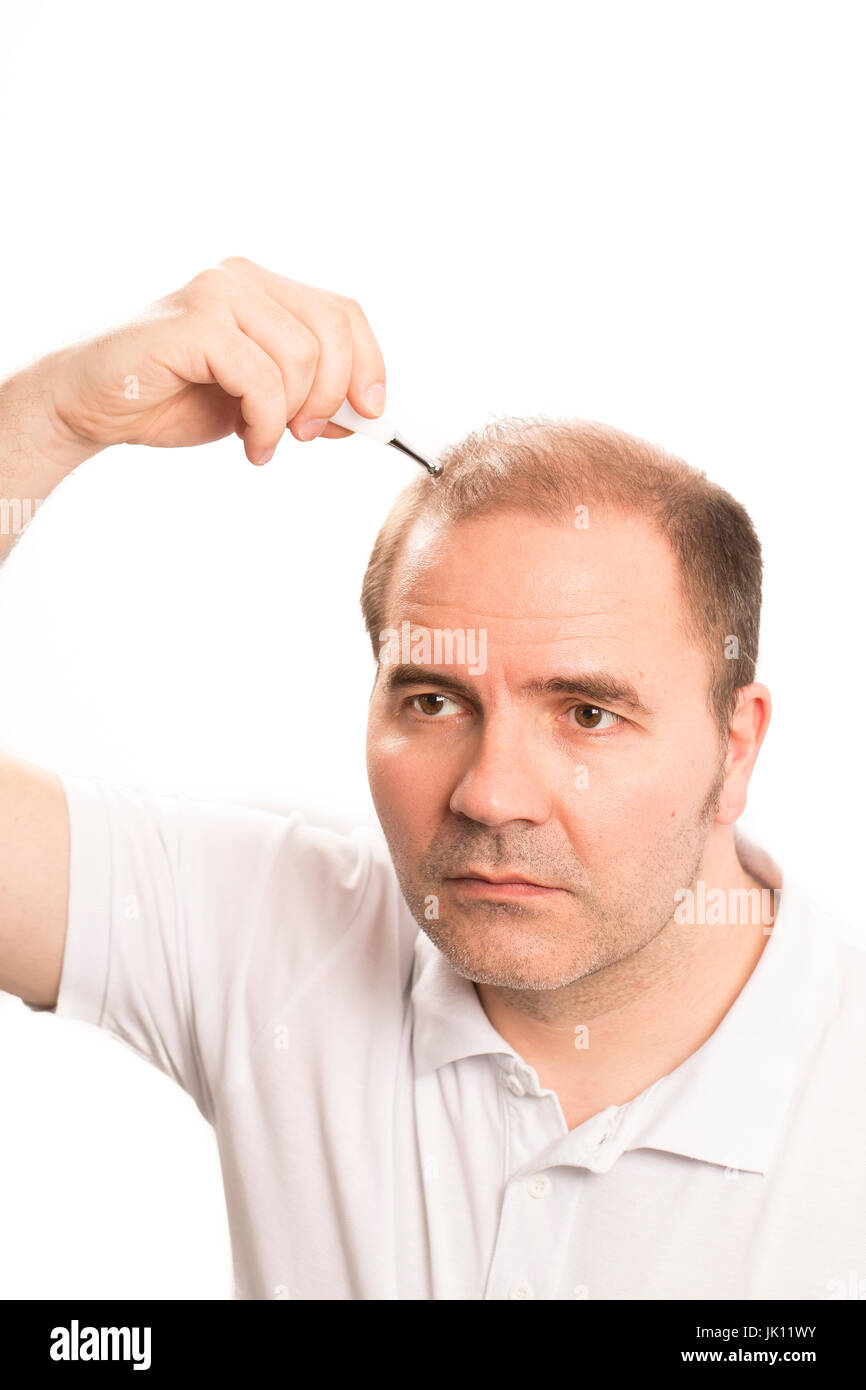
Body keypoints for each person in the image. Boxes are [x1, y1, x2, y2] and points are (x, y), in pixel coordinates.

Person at [0, 259, 863, 1301]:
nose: (490, 794)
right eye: (434, 702)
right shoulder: (267, 942)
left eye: (586, 713)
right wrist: (56, 414)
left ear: (736, 747)